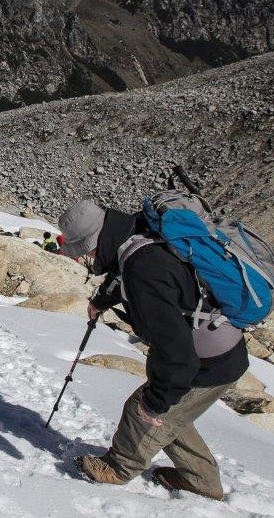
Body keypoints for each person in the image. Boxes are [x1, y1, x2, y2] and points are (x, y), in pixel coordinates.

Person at [57, 199, 248, 501]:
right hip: (223, 349)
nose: (87, 258)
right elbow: (121, 275)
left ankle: (118, 468)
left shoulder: (144, 271)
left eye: (85, 250)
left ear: (96, 241)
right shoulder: (136, 232)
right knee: (171, 420)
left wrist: (155, 403)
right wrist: (102, 300)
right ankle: (202, 481)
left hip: (209, 361)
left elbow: (178, 355)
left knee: (145, 410)